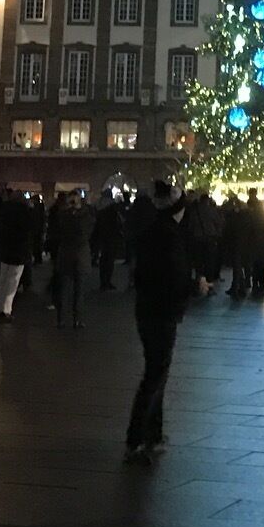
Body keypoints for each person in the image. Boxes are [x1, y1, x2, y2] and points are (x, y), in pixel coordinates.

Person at [125, 181, 192, 463]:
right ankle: (137, 438)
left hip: (147, 309)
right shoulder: (171, 235)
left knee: (157, 373)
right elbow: (175, 275)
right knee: (155, 375)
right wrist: (191, 289)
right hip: (162, 312)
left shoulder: (152, 231)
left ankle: (152, 433)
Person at [47, 191, 91, 327]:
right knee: (75, 290)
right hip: (78, 255)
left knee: (68, 290)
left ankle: (63, 319)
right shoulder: (83, 215)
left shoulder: (64, 215)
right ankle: (76, 319)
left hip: (67, 255)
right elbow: (86, 233)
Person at [0, 188, 35, 319]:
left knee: (3, 280)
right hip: (19, 250)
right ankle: (6, 311)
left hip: (5, 248)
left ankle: (0, 307)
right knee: (13, 281)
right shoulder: (25, 212)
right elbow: (30, 228)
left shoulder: (3, 210)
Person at [92, 191, 125, 289]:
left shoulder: (98, 207)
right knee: (109, 260)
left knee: (103, 259)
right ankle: (107, 281)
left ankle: (103, 282)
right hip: (111, 236)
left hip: (102, 236)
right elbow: (119, 222)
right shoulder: (113, 208)